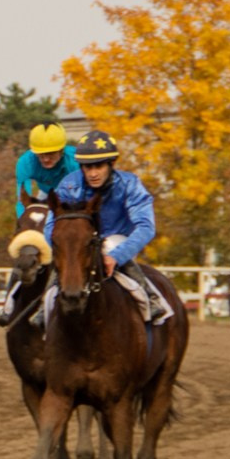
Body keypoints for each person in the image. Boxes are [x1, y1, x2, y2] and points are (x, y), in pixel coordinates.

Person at [45, 129, 171, 324]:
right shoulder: (68, 185)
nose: (93, 173)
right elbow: (51, 226)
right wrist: (61, 248)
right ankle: (40, 312)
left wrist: (117, 256)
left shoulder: (129, 184)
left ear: (111, 164)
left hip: (117, 239)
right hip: (80, 244)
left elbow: (146, 227)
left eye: (98, 166)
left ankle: (150, 297)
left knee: (109, 246)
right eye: (87, 168)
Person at [0, 123, 80, 322]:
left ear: (61, 150)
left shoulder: (75, 161)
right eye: (41, 154)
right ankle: (8, 304)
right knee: (26, 247)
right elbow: (22, 201)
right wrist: (25, 231)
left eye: (51, 153)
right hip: (44, 194)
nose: (46, 158)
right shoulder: (25, 162)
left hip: (70, 195)